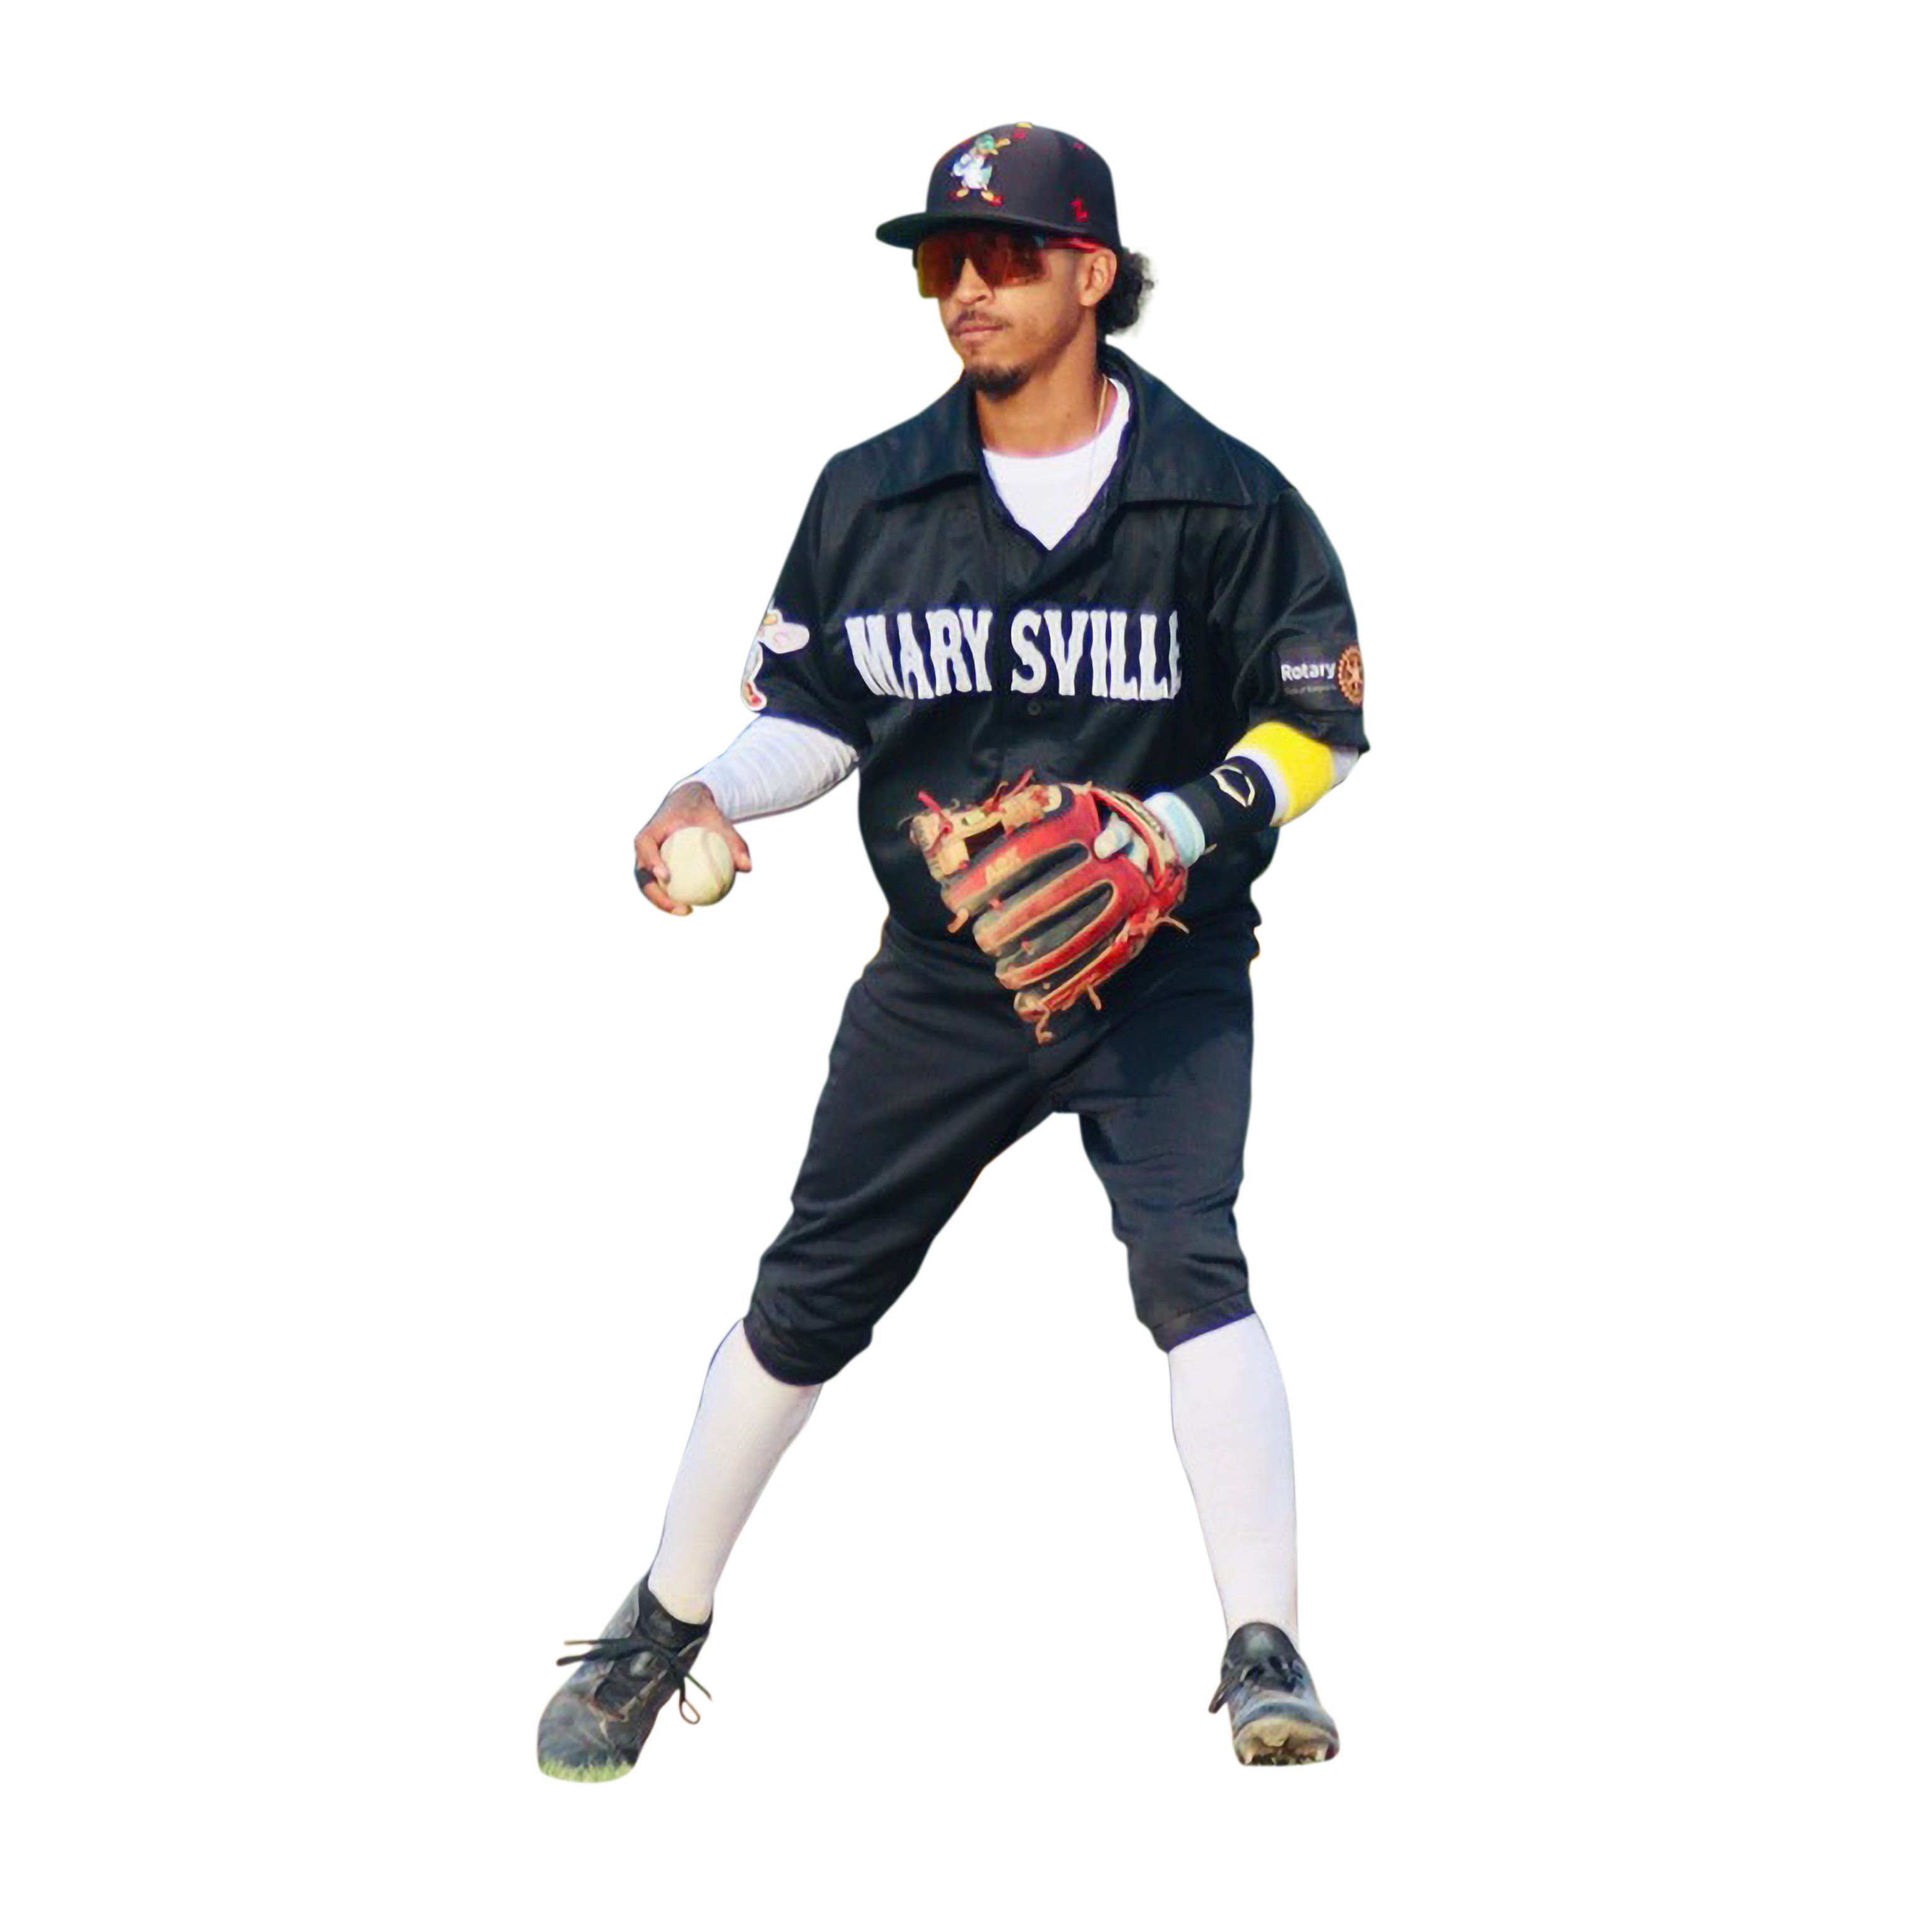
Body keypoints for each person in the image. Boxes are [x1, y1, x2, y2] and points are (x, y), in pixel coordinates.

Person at [537, 122, 1368, 1771]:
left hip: (1161, 960)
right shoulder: (871, 493)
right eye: (941, 260)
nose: (964, 286)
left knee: (1190, 1267)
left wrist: (1174, 827)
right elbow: (817, 713)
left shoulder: (1218, 493)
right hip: (945, 972)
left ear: (1091, 273)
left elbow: (1323, 719)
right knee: (805, 1299)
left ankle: (1265, 1657)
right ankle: (652, 1640)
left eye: (1001, 255)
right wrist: (713, 789)